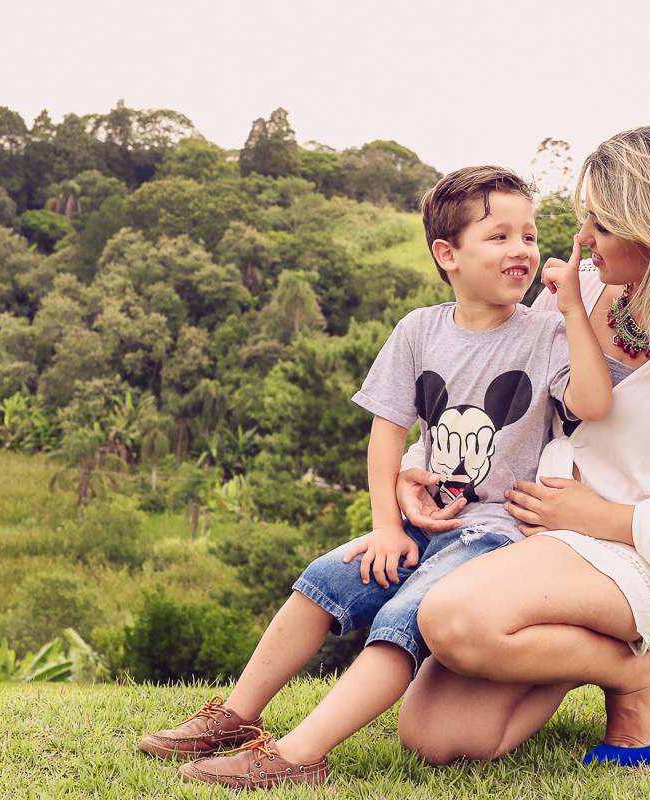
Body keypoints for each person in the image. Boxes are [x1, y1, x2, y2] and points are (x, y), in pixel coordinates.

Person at [137, 165, 616, 790]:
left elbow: (594, 403)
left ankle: (299, 754)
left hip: (496, 536)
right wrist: (385, 527)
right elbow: (387, 432)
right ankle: (235, 716)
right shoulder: (417, 331)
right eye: (499, 236)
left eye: (529, 234)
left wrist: (574, 311)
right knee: (323, 581)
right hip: (422, 520)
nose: (522, 249)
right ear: (447, 254)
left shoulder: (548, 334)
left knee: (406, 618)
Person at [394, 124, 650, 767]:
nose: (582, 239)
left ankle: (636, 673)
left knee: (453, 619)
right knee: (439, 736)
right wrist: (417, 464)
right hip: (534, 532)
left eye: (600, 224)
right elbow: (486, 387)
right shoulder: (576, 295)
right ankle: (598, 654)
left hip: (638, 555)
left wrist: (604, 518)